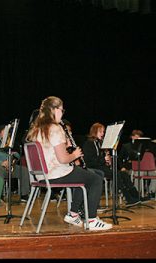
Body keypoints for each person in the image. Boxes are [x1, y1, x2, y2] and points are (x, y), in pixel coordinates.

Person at [26, 96, 112, 231]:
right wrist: (75, 154)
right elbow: (63, 159)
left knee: (83, 175)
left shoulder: (37, 129)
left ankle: (73, 214)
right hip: (56, 173)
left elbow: (51, 152)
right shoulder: (55, 128)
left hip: (42, 174)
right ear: (54, 110)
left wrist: (65, 146)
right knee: (95, 179)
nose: (62, 113)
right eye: (61, 110)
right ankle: (92, 219)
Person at [83, 123, 147, 207]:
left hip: (101, 167)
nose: (103, 134)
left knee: (123, 174)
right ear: (94, 132)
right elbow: (89, 161)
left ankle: (136, 196)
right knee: (116, 174)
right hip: (93, 169)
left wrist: (107, 160)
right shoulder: (89, 144)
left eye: (103, 132)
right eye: (100, 132)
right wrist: (104, 159)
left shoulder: (99, 143)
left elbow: (100, 159)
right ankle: (128, 198)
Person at [0, 124, 30, 202]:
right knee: (0, 170)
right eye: (4, 132)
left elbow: (18, 155)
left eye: (7, 132)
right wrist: (1, 163)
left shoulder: (10, 143)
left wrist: (14, 155)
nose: (7, 134)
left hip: (9, 166)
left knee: (24, 170)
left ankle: (24, 195)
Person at [118, 129, 156, 199]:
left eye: (139, 137)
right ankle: (136, 193)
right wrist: (122, 167)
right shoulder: (126, 146)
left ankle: (151, 192)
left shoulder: (144, 146)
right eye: (135, 137)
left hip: (145, 167)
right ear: (132, 137)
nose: (137, 139)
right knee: (139, 172)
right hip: (131, 168)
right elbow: (119, 158)